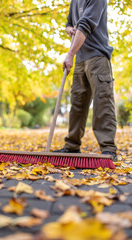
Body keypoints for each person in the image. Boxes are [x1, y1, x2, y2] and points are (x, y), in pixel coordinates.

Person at [54, 0, 117, 161]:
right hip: (81, 58)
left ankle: (108, 149)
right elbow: (70, 23)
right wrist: (69, 29)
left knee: (102, 100)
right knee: (77, 102)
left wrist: (70, 55)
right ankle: (72, 146)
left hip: (97, 57)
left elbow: (85, 24)